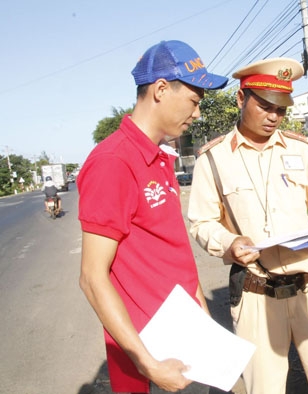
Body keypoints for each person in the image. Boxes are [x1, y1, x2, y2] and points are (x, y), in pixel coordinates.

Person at [187, 57, 308, 394]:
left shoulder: (301, 150)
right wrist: (229, 242)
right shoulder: (214, 159)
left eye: (281, 109)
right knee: (263, 388)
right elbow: (202, 222)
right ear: (241, 99)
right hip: (256, 292)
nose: (273, 117)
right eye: (265, 106)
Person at [77, 40, 228, 394]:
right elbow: (91, 277)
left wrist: (206, 329)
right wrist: (148, 364)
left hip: (188, 345)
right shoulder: (113, 162)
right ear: (161, 89)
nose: (197, 114)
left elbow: (174, 257)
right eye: (194, 101)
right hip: (157, 361)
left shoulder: (160, 160)